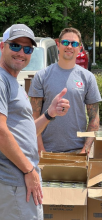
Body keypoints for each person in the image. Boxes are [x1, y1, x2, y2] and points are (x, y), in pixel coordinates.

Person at [0, 24, 70, 220]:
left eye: (27, 49)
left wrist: (49, 113)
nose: (21, 52)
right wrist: (29, 170)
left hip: (20, 180)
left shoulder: (13, 81)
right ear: (1, 46)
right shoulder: (1, 80)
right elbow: (0, 132)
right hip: (14, 179)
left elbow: (25, 131)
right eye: (15, 46)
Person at [28, 27, 102, 155]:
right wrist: (41, 149)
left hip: (77, 151)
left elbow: (94, 118)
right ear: (58, 44)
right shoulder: (42, 76)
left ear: (79, 48)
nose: (69, 46)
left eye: (74, 44)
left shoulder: (88, 77)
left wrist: (86, 149)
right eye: (65, 42)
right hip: (46, 151)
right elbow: (33, 117)